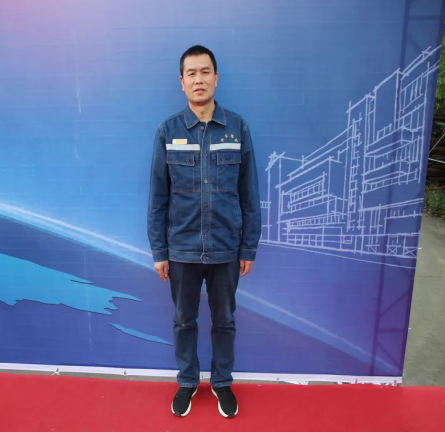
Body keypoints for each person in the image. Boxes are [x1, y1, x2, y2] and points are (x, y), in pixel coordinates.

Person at [147, 45, 262, 419]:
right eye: (191, 73)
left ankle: (222, 382)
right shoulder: (167, 131)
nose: (199, 79)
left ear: (216, 78)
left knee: (224, 321)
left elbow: (249, 195)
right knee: (184, 321)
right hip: (181, 250)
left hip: (226, 249)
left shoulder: (238, 129)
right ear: (182, 82)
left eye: (205, 71)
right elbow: (158, 198)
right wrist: (159, 251)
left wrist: (248, 247)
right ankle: (187, 381)